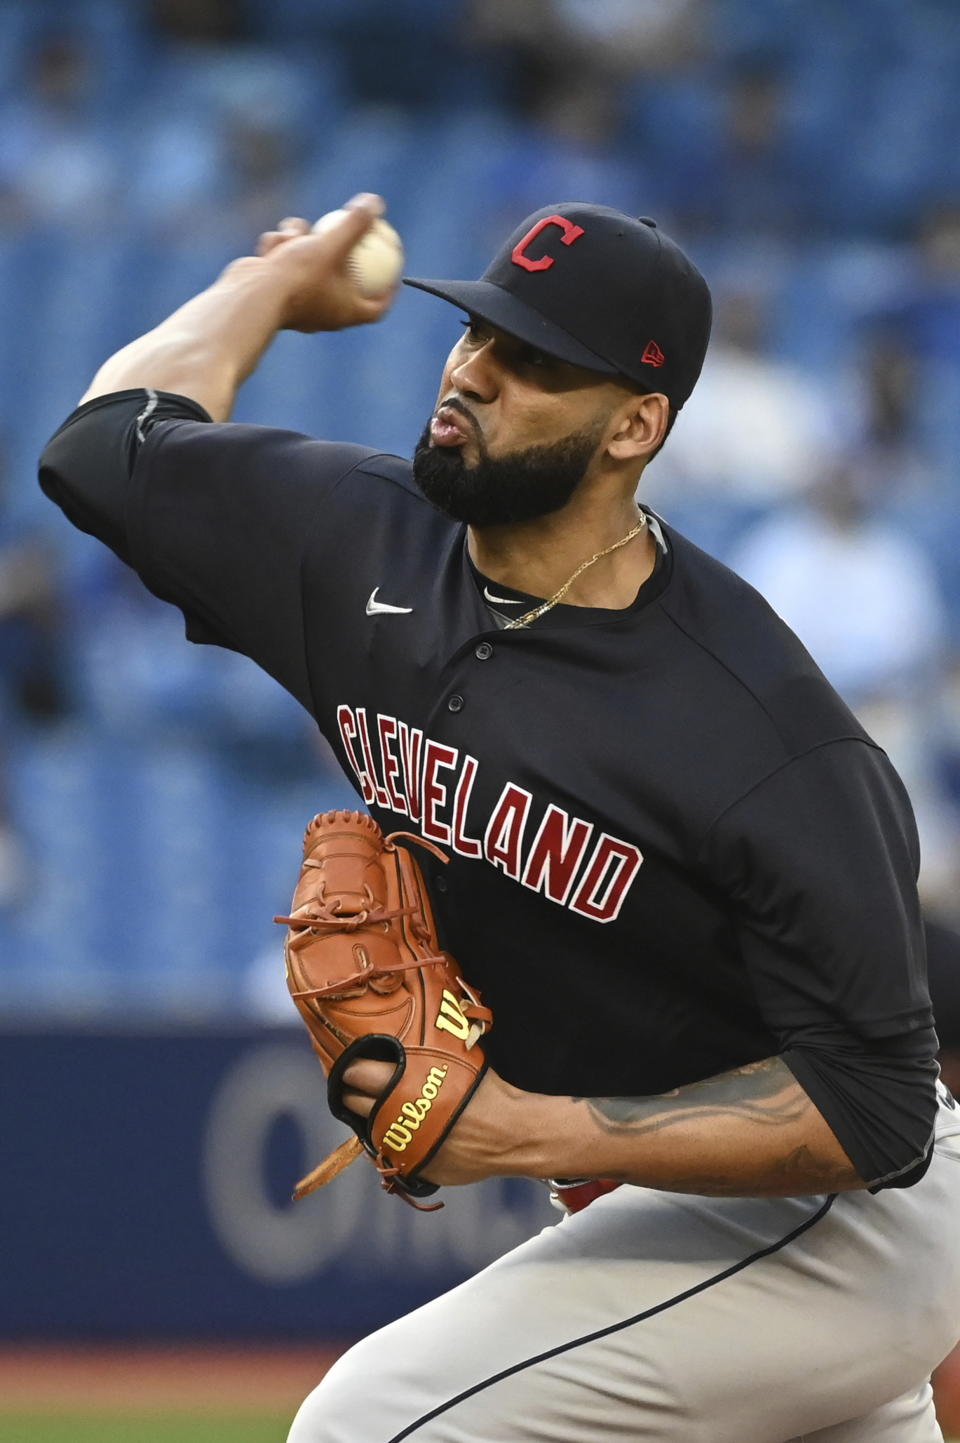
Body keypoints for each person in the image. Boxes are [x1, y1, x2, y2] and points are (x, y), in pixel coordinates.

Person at [38, 195, 960, 1443]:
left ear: (635, 426)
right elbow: (109, 444)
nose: (475, 373)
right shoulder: (357, 542)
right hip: (651, 1216)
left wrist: (519, 1130)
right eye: (476, 334)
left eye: (534, 365)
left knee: (373, 1425)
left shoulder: (765, 733)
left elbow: (879, 1112)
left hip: (835, 1226)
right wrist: (275, 287)